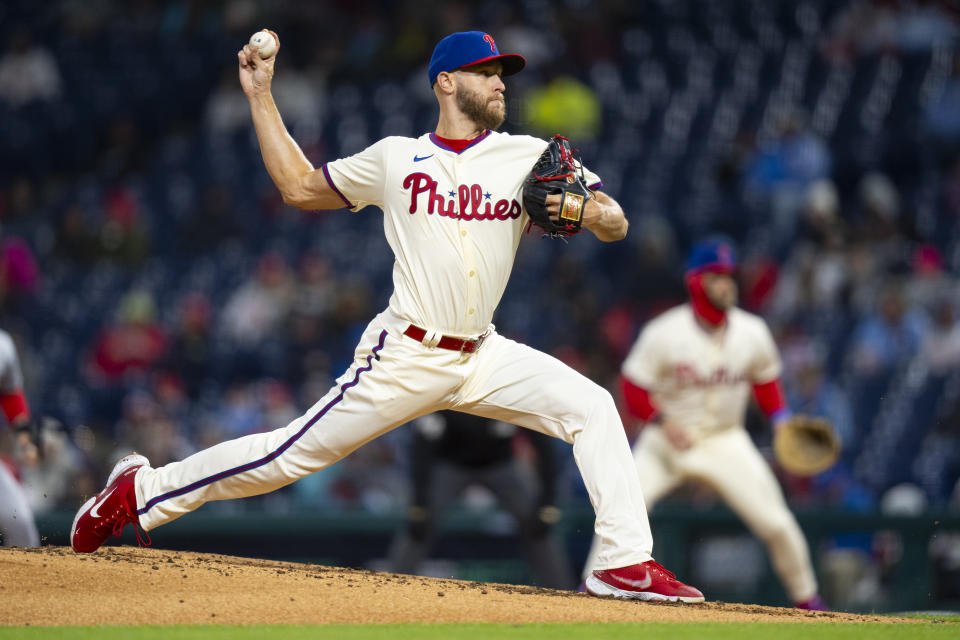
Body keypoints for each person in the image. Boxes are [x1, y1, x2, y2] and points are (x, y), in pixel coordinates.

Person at [70, 30, 703, 603]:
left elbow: (617, 221)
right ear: (446, 83)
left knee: (592, 406)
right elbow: (296, 186)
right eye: (486, 71)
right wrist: (261, 96)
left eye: (502, 72)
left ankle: (621, 561)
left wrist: (592, 213)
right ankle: (140, 491)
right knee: (286, 457)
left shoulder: (526, 156)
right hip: (407, 352)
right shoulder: (397, 158)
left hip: (483, 354)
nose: (500, 81)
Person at [580, 239, 828, 610]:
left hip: (725, 440)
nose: (727, 284)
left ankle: (809, 601)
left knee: (777, 523)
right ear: (696, 281)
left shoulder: (752, 331)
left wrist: (781, 420)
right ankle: (586, 596)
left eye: (730, 276)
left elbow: (766, 382)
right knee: (619, 516)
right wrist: (661, 421)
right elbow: (632, 388)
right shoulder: (664, 332)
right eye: (717, 277)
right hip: (665, 442)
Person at [389, 411, 574, 589]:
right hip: (450, 464)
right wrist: (419, 503)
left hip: (501, 464)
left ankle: (563, 593)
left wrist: (547, 501)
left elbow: (543, 443)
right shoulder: (449, 394)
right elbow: (422, 448)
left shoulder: (508, 395)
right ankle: (392, 589)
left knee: (539, 525)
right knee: (419, 525)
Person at [0, 328, 40, 546]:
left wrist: (25, 441)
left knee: (22, 525)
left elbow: (11, 395)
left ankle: (23, 581)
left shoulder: (3, 344)